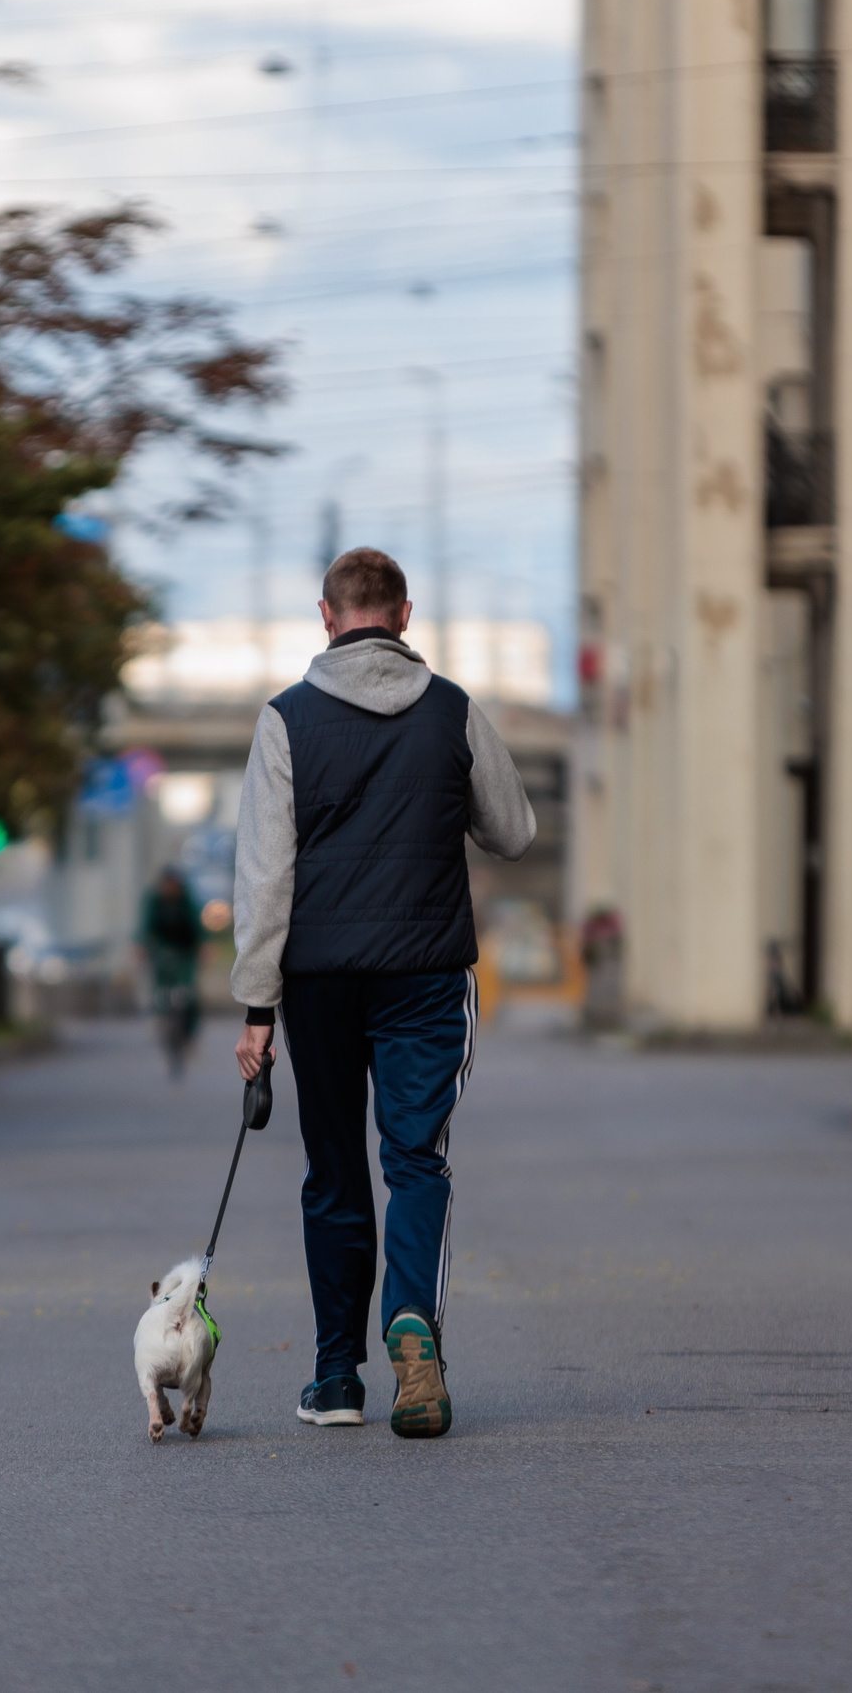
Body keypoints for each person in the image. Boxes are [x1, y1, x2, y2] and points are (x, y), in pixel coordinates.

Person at [230, 547, 535, 1439]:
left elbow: (263, 878)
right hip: (427, 974)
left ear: (326, 618)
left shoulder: (284, 721)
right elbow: (513, 831)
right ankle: (413, 1326)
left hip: (317, 982)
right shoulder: (453, 711)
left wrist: (257, 1010)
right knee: (415, 1161)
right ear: (405, 616)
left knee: (333, 1171)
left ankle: (335, 1378)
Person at [137, 866, 205, 1078]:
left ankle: (190, 1031)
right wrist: (140, 947)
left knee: (190, 994)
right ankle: (161, 1017)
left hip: (185, 951)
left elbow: (198, 927)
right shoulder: (154, 901)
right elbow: (144, 928)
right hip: (163, 951)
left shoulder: (187, 900)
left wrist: (205, 946)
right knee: (160, 990)